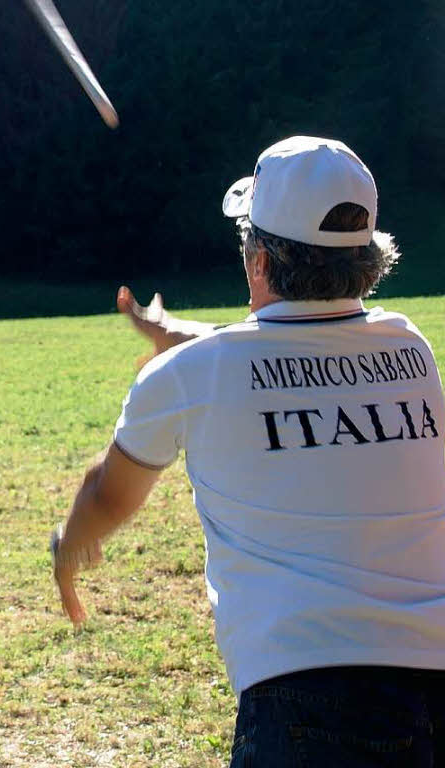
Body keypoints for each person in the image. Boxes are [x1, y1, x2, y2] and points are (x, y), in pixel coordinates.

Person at [51, 135, 445, 766]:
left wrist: (69, 547)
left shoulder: (192, 374)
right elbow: (303, 354)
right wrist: (181, 336)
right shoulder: (410, 352)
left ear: (258, 260)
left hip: (306, 699)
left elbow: (108, 495)